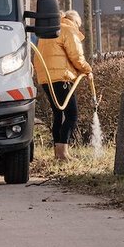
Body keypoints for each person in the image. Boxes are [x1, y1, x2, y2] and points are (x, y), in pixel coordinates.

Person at [32, 10, 93, 160]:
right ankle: (63, 153)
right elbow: (76, 57)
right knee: (71, 115)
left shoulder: (50, 32)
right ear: (75, 22)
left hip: (46, 78)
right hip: (62, 78)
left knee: (58, 114)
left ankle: (58, 153)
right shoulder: (69, 30)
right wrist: (88, 70)